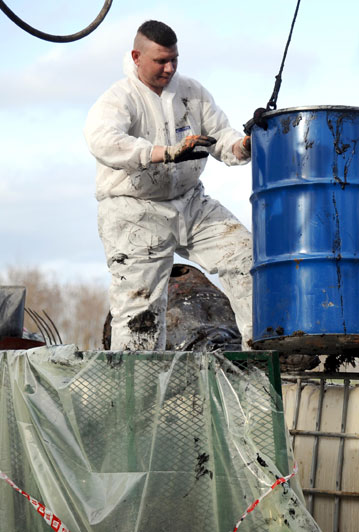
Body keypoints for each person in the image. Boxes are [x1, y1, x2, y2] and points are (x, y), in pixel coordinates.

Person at [84, 20, 253, 351]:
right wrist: (161, 153)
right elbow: (101, 139)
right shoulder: (119, 99)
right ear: (136, 56)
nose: (169, 67)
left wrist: (242, 145)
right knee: (140, 316)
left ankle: (262, 354)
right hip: (135, 210)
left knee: (246, 258)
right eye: (161, 61)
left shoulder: (192, 93)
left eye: (174, 59)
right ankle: (139, 393)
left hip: (189, 203)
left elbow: (220, 135)